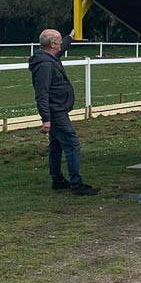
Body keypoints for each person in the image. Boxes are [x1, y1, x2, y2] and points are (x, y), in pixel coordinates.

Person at [29, 29, 99, 195]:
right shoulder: (45, 65)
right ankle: (76, 184)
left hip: (57, 111)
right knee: (72, 145)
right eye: (59, 41)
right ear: (52, 44)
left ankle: (58, 180)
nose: (61, 44)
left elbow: (62, 48)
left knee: (56, 145)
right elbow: (42, 93)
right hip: (56, 113)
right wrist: (46, 119)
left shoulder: (49, 57)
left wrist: (70, 37)